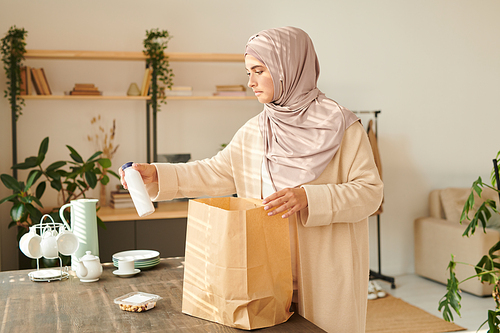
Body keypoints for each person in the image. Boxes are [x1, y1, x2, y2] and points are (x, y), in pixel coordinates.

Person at [120, 26, 383, 333]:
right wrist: (158, 173)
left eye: (259, 70)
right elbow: (215, 172)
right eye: (249, 72)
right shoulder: (255, 131)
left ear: (289, 68)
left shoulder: (342, 125)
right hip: (264, 272)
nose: (250, 82)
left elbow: (370, 193)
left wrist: (309, 197)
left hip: (325, 275)